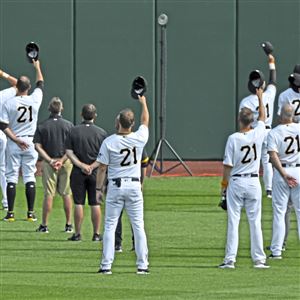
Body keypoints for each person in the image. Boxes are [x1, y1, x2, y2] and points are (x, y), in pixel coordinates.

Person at [91, 95, 150, 275]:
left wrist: (98, 189)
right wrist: (144, 102)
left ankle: (106, 265)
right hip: (134, 186)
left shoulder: (109, 141)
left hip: (115, 186)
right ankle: (142, 265)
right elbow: (145, 120)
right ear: (131, 124)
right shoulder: (139, 137)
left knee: (109, 225)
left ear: (118, 122)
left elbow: (102, 168)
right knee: (138, 225)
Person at [219, 87, 270, 269]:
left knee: (234, 221)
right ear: (252, 121)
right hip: (254, 181)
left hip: (237, 181)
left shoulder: (233, 138)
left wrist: (223, 187)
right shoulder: (258, 133)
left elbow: (227, 166)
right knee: (255, 221)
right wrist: (261, 97)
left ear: (239, 120)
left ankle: (230, 260)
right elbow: (263, 119)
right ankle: (259, 260)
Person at [0, 60, 44, 222]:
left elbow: (3, 125)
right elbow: (40, 83)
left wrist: (16, 139)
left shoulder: (9, 102)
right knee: (29, 177)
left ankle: (10, 214)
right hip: (30, 142)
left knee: (11, 176)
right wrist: (37, 67)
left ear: (16, 87)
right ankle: (30, 213)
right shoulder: (35, 99)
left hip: (14, 141)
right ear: (28, 87)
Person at [65, 104, 107, 241]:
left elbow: (69, 152)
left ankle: (77, 234)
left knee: (78, 202)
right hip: (95, 173)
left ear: (81, 115)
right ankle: (96, 234)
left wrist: (82, 165)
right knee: (95, 203)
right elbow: (103, 156)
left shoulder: (73, 131)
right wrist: (92, 166)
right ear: (95, 116)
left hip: (78, 171)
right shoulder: (101, 133)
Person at [34, 97, 74, 233]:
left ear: (49, 109)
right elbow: (72, 147)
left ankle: (44, 225)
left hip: (49, 162)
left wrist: (50, 161)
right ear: (61, 109)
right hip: (65, 161)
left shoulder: (42, 125)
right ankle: (69, 225)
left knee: (49, 194)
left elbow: (37, 146)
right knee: (66, 193)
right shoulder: (69, 125)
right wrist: (61, 161)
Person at [239, 54, 276, 198]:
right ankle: (269, 189)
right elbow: (273, 80)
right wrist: (271, 61)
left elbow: (243, 120)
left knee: (252, 161)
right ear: (263, 84)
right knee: (267, 162)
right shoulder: (269, 95)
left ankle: (250, 188)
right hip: (267, 131)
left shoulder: (246, 101)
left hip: (252, 133)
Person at [267, 103, 300, 259]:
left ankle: (276, 251)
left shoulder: (274, 132)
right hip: (299, 170)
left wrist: (283, 173)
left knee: (279, 212)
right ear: (292, 115)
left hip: (282, 172)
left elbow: (273, 156)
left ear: (281, 115)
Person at [276, 67, 300, 250]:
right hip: (291, 141)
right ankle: (280, 243)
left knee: (284, 207)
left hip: (289, 156)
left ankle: (278, 246)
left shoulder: (285, 95)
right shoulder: (285, 95)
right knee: (287, 207)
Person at [115, 148, 149, 252]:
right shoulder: (138, 142)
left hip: (117, 183)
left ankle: (117, 245)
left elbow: (105, 166)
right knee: (136, 219)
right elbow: (144, 164)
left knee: (115, 218)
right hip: (134, 184)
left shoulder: (113, 142)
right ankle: (137, 245)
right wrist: (141, 182)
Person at [0, 69, 18, 210]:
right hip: (1, 136)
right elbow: (18, 84)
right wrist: (2, 74)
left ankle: (6, 200)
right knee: (2, 167)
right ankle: (6, 201)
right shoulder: (2, 95)